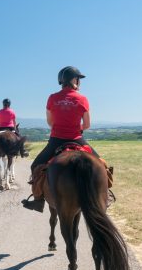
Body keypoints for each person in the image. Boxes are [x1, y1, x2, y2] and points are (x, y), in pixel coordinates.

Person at [22, 66, 110, 212]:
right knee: (102, 165)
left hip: (56, 140)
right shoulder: (82, 98)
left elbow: (50, 122)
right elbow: (87, 125)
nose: (79, 82)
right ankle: (105, 197)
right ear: (74, 80)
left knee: (35, 166)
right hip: (77, 139)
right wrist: (76, 128)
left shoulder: (52, 98)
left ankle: (38, 201)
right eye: (78, 79)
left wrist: (60, 127)